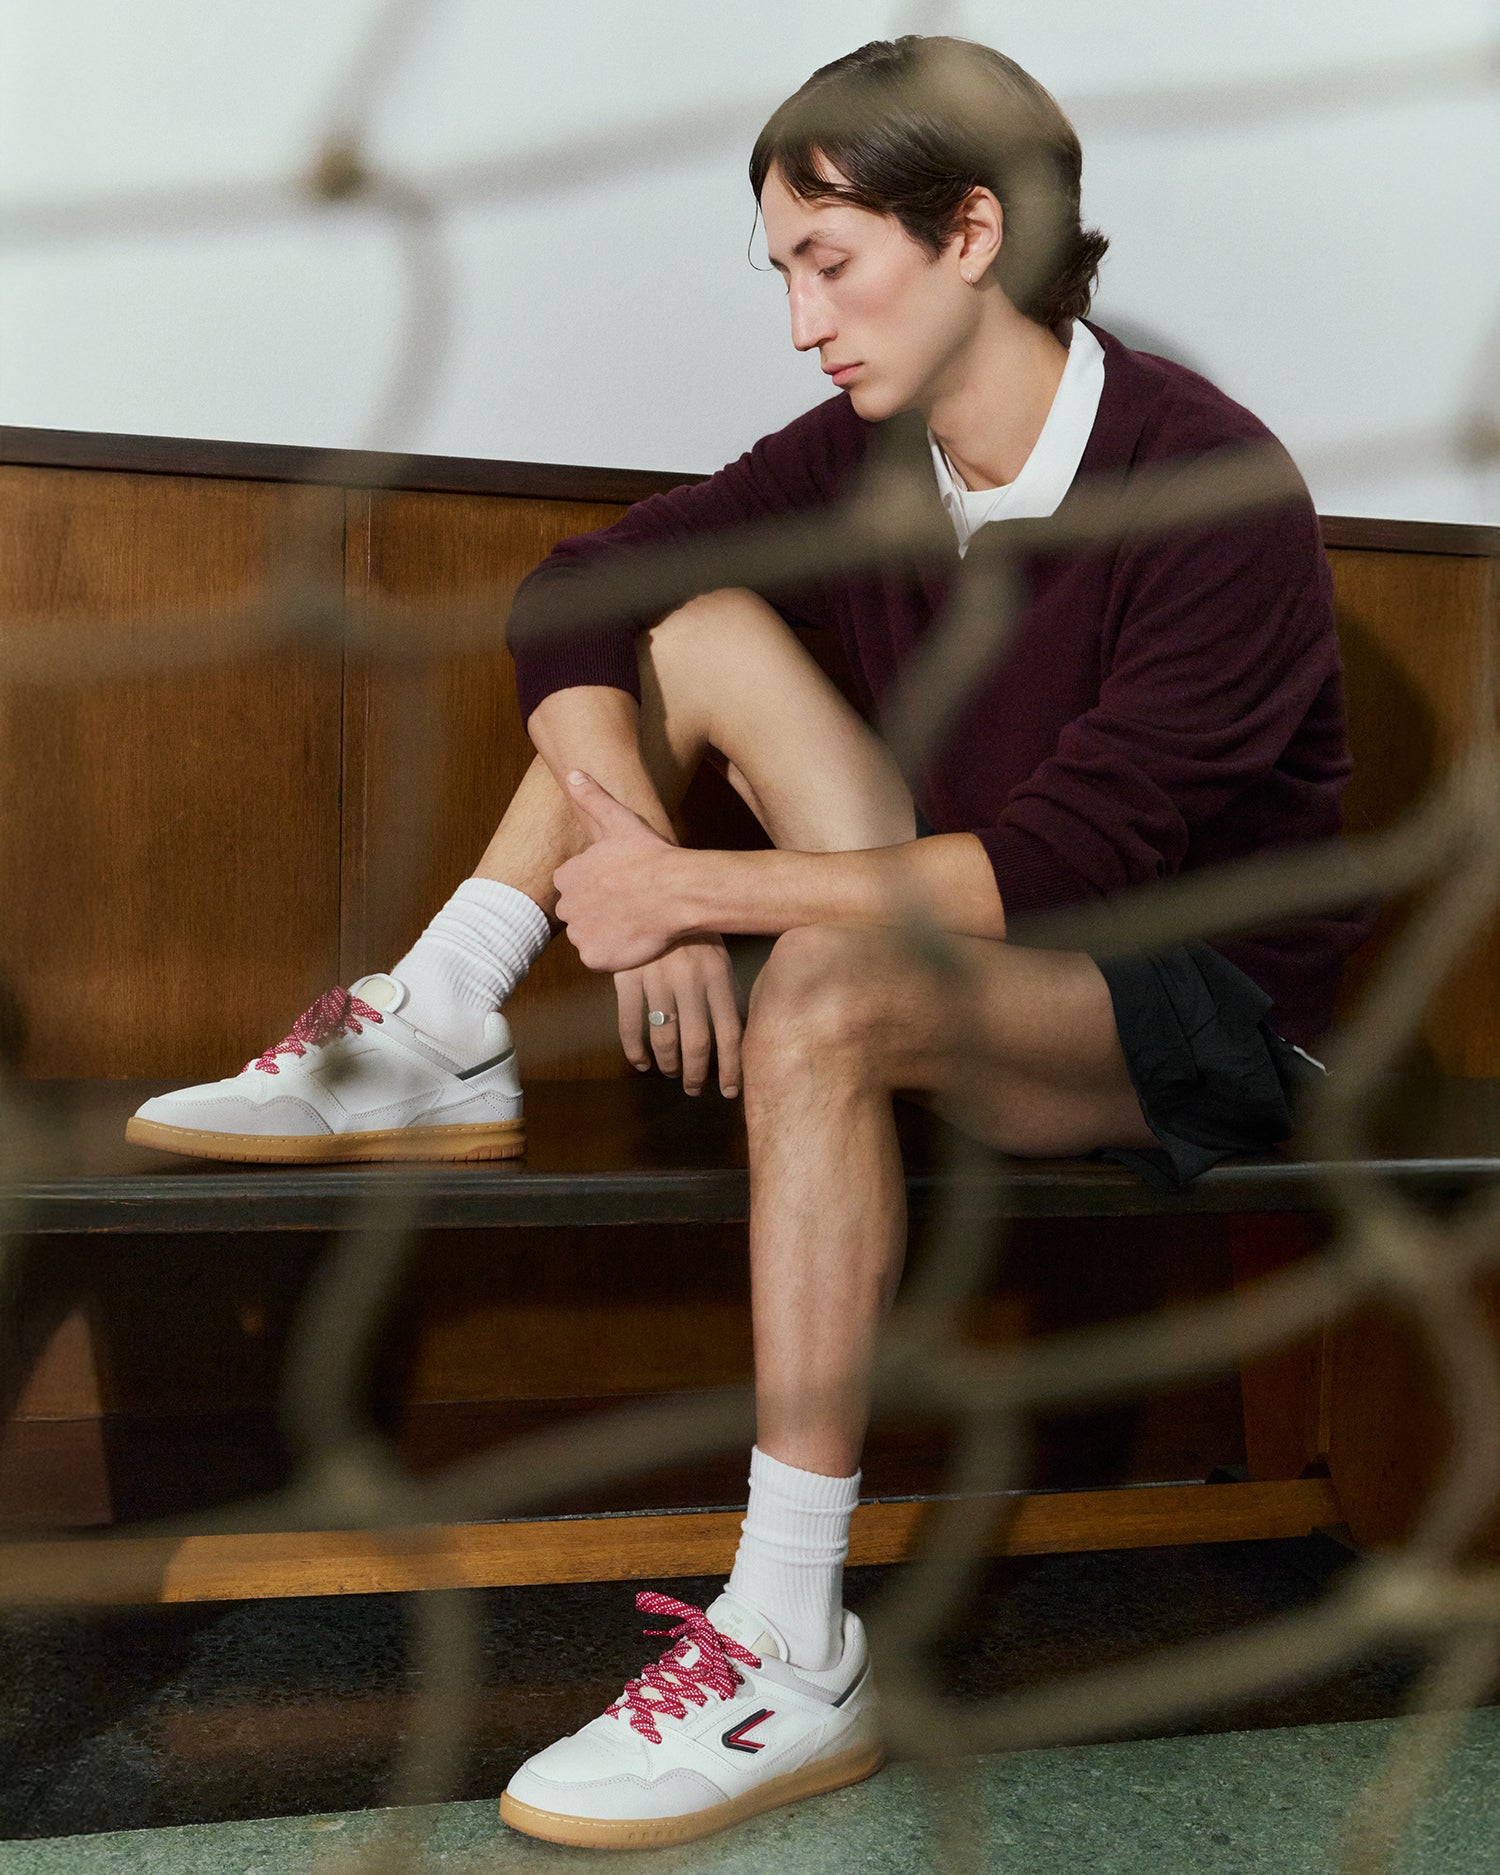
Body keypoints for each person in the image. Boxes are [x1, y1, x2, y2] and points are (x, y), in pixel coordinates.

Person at [126, 35, 1374, 1851]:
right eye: (783, 272)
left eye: (828, 264)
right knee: (691, 626)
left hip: (1193, 1008)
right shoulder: (867, 450)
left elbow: (1068, 858)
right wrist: (630, 857)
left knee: (824, 986)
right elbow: (581, 582)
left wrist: (704, 899)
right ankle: (446, 1010)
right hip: (966, 929)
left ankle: (792, 1641)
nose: (802, 325)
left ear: (973, 233)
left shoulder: (1209, 481)